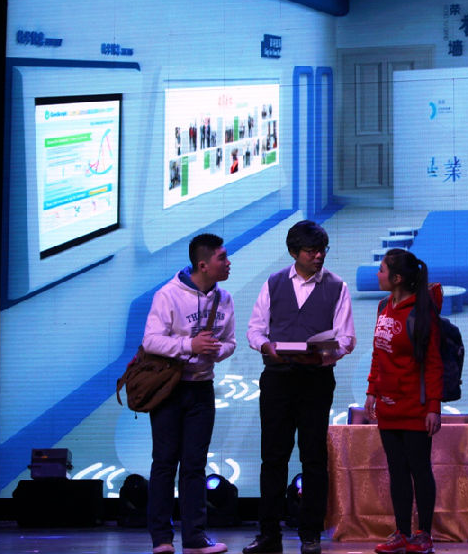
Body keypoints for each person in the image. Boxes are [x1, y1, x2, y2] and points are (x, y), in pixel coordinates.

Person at [245, 220, 356, 554]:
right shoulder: (274, 282)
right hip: (277, 378)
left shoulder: (337, 286)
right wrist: (266, 346)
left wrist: (325, 355)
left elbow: (347, 338)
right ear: (294, 252)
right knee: (273, 457)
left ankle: (310, 534)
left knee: (314, 457)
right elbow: (255, 330)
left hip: (316, 380)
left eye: (322, 250)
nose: (319, 256)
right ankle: (268, 534)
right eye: (311, 251)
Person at [143, 233, 236, 554]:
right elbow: (151, 341)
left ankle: (194, 538)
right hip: (168, 389)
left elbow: (230, 342)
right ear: (203, 264)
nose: (228, 263)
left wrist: (217, 350)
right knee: (164, 463)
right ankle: (161, 539)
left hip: (202, 389)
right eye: (222, 258)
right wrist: (189, 345)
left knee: (195, 465)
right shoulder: (168, 295)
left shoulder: (225, 299)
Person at [365, 249, 443, 554]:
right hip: (387, 406)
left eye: (382, 270)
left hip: (415, 407)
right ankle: (401, 533)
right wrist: (372, 391)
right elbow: (378, 352)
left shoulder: (422, 311)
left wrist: (433, 406)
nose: (378, 274)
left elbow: (433, 363)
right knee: (397, 471)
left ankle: (424, 535)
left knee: (419, 470)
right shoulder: (383, 306)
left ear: (397, 278)